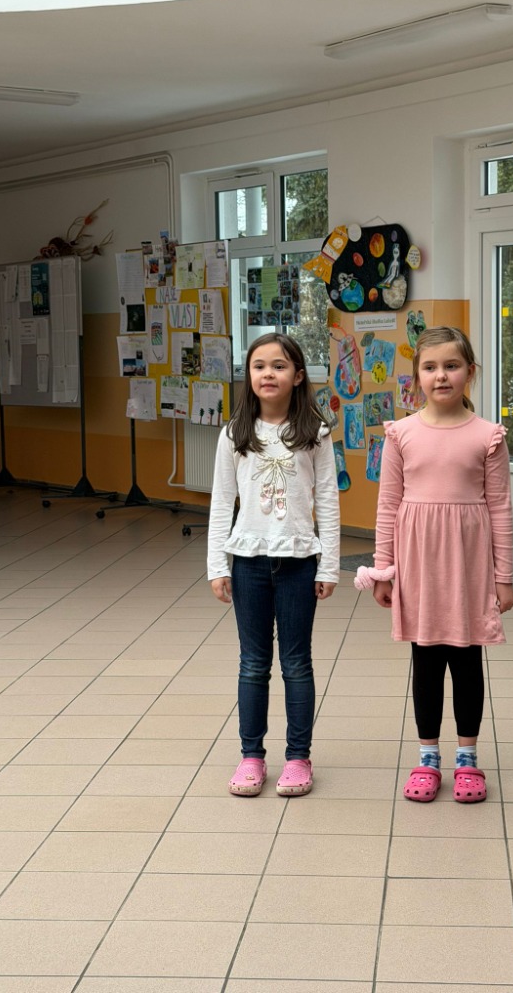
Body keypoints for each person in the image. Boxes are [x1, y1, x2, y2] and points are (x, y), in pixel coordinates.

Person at [355, 326, 513, 804]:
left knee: (467, 661)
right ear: (417, 376)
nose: (441, 375)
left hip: (468, 568)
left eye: (451, 365)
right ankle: (428, 757)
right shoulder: (401, 434)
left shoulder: (488, 436)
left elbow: (500, 508)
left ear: (470, 372)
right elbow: (388, 505)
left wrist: (504, 577)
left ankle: (467, 758)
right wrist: (383, 569)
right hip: (418, 567)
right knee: (425, 662)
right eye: (430, 367)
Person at [207, 333, 340, 798]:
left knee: (296, 663)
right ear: (249, 375)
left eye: (279, 366)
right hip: (248, 563)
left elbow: (328, 500)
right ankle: (252, 756)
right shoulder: (234, 434)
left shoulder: (315, 433)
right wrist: (217, 565)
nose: (268, 373)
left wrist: (329, 566)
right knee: (252, 663)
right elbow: (222, 502)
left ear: (298, 376)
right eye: (259, 365)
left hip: (299, 563)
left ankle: (298, 758)